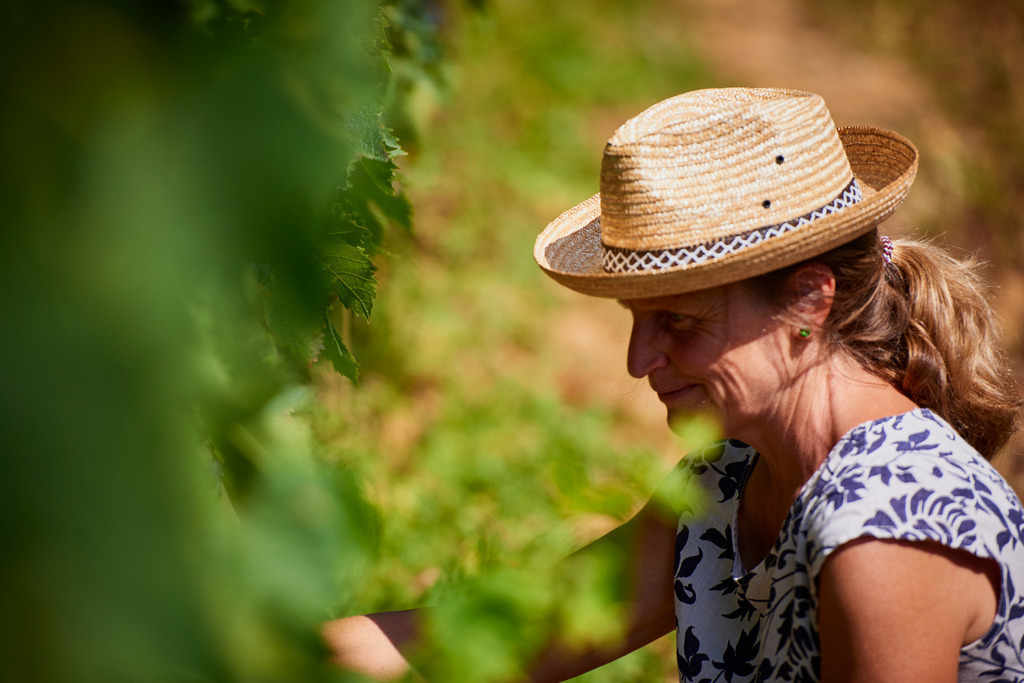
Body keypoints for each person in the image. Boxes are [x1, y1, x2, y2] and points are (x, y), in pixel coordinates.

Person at [323, 87, 1024, 682]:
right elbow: (514, 634)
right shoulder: (729, 481)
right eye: (638, 319)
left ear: (809, 301)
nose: (638, 360)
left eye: (678, 320)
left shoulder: (884, 534)